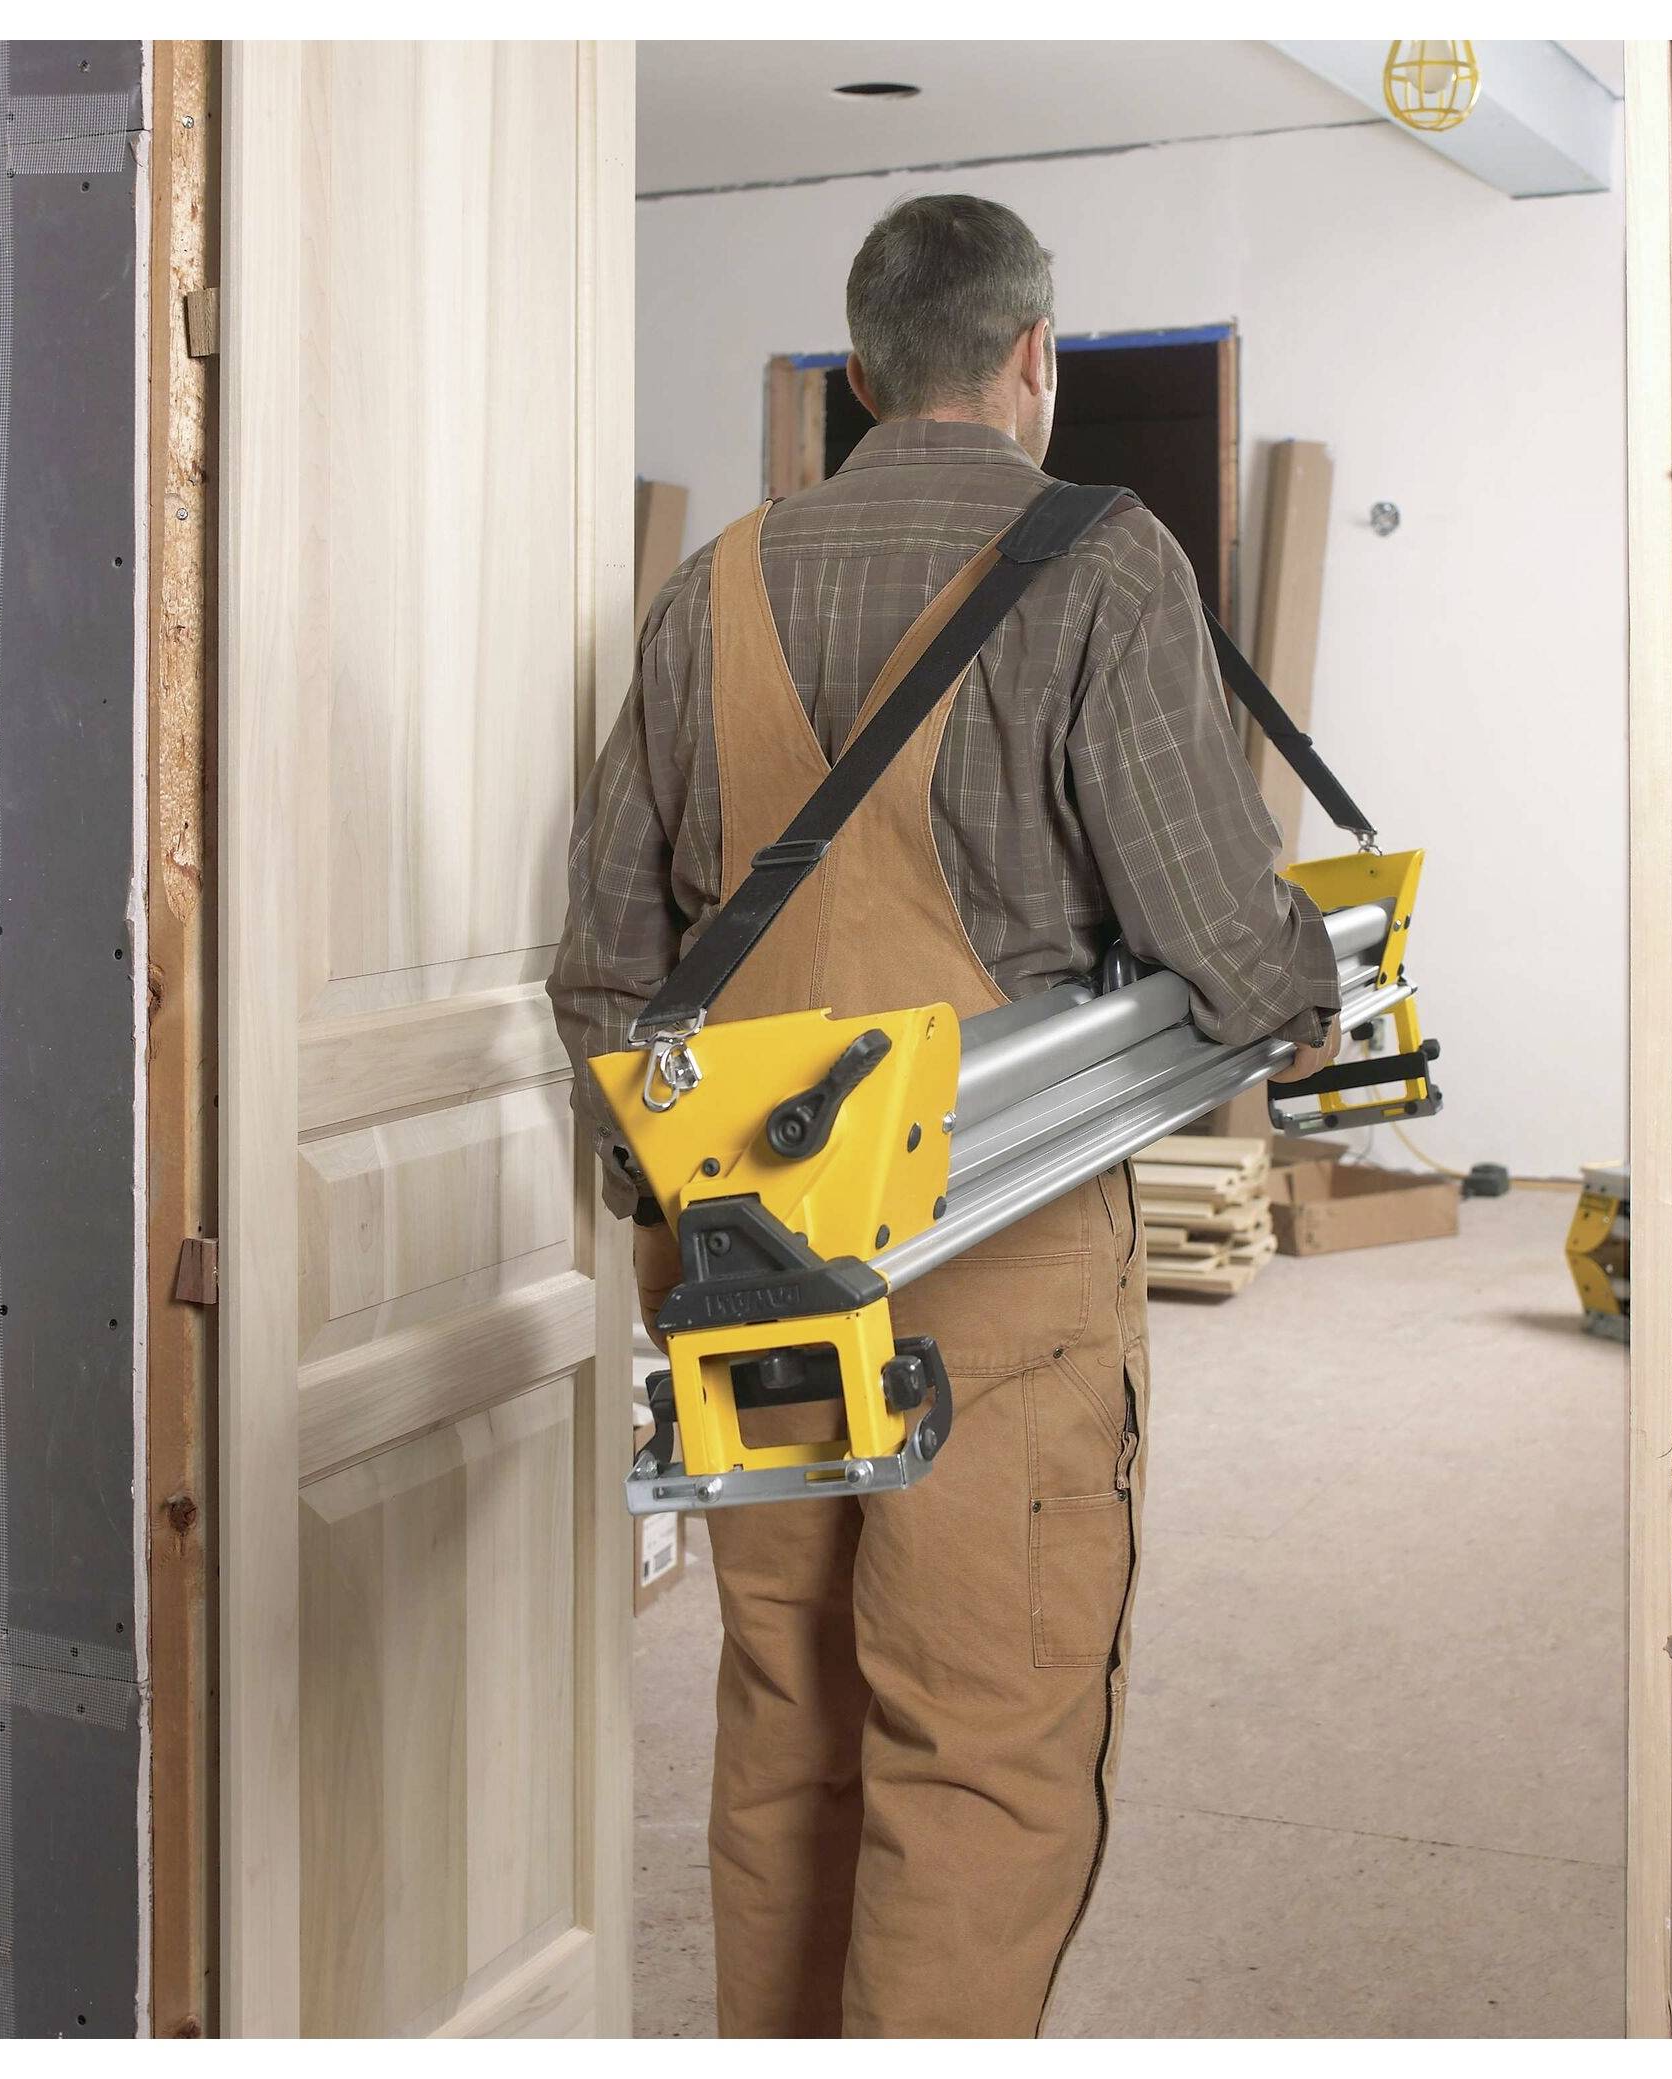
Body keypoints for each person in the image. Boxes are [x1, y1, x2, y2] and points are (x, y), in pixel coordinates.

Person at [550, 192, 1341, 2038]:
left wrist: (676, 1211)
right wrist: (1311, 992)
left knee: (789, 1716)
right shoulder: (1105, 562)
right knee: (980, 1733)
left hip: (751, 1264)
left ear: (857, 375)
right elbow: (1229, 947)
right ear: (1031, 362)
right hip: (999, 1247)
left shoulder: (711, 588)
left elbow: (606, 972)